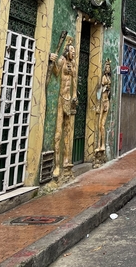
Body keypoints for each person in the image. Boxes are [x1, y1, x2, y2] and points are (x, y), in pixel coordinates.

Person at [50, 39, 78, 180]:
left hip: (69, 100)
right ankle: (56, 165)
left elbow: (74, 81)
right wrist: (53, 61)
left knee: (68, 131)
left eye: (74, 51)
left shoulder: (72, 64)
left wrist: (74, 96)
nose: (74, 53)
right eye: (72, 51)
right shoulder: (62, 60)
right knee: (58, 133)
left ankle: (66, 161)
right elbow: (55, 72)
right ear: (67, 51)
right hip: (61, 99)